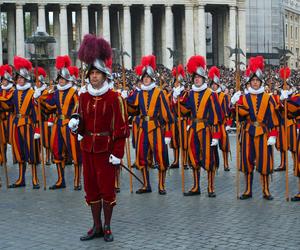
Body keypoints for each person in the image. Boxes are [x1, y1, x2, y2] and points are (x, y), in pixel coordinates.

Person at [69, 34, 129, 242]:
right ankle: (96, 226)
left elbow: (121, 129)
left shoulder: (115, 98)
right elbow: (80, 122)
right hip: (88, 148)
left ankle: (108, 226)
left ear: (105, 76)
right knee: (91, 189)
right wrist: (75, 127)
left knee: (106, 190)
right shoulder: (83, 96)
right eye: (91, 73)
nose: (94, 77)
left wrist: (118, 154)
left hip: (106, 150)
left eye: (97, 73)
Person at [173, 56, 223, 197]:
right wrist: (177, 98)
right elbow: (183, 110)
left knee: (209, 158)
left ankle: (211, 187)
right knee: (193, 157)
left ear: (204, 79)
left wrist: (217, 136)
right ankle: (196, 187)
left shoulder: (211, 94)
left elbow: (217, 117)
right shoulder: (189, 94)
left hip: (206, 130)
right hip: (193, 129)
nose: (197, 79)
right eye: (195, 77)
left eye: (199, 77)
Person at [124, 55, 173, 195]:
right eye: (143, 77)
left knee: (161, 156)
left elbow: (166, 114)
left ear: (152, 79)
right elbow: (133, 110)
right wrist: (124, 100)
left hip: (156, 127)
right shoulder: (139, 94)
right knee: (141, 156)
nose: (145, 79)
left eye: (148, 77)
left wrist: (168, 133)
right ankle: (146, 184)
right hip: (142, 128)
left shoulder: (159, 93)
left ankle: (161, 185)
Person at [231, 56, 279, 200]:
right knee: (247, 160)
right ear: (250, 82)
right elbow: (237, 115)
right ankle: (248, 190)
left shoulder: (268, 97)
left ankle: (266, 190)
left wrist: (274, 134)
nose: (255, 82)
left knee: (264, 161)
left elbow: (273, 117)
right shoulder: (244, 97)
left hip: (263, 133)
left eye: (257, 80)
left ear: (260, 82)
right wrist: (234, 103)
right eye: (253, 81)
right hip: (248, 132)